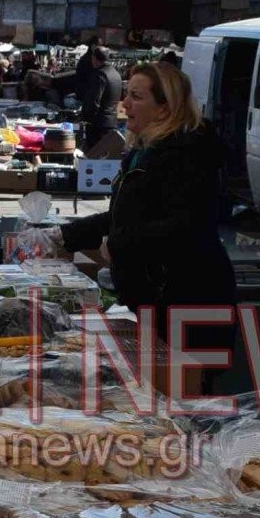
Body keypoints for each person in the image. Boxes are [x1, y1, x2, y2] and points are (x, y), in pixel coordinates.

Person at [59, 59, 235, 342]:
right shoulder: (143, 150)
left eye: (136, 97)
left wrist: (118, 244)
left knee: (181, 385)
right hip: (155, 298)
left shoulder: (188, 154)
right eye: (127, 93)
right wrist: (64, 234)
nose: (124, 103)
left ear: (165, 107)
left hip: (188, 302)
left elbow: (184, 227)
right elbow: (121, 216)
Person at [76, 43, 123, 148]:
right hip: (111, 122)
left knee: (95, 156)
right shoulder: (116, 74)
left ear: (94, 58)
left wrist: (86, 119)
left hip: (98, 125)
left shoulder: (99, 75)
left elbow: (94, 101)